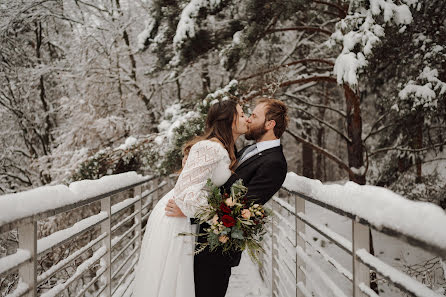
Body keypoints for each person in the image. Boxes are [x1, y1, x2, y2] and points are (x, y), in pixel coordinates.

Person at [167, 98, 289, 297]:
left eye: (254, 116)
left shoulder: (274, 163)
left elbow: (241, 209)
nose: (249, 119)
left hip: (216, 249)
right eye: (246, 115)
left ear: (270, 124)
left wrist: (189, 211)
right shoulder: (250, 150)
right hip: (198, 239)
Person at [132, 100, 248, 297]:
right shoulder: (210, 148)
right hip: (177, 213)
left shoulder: (227, 149)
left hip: (186, 212)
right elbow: (187, 193)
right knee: (173, 284)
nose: (247, 117)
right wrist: (219, 212)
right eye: (242, 113)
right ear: (228, 119)